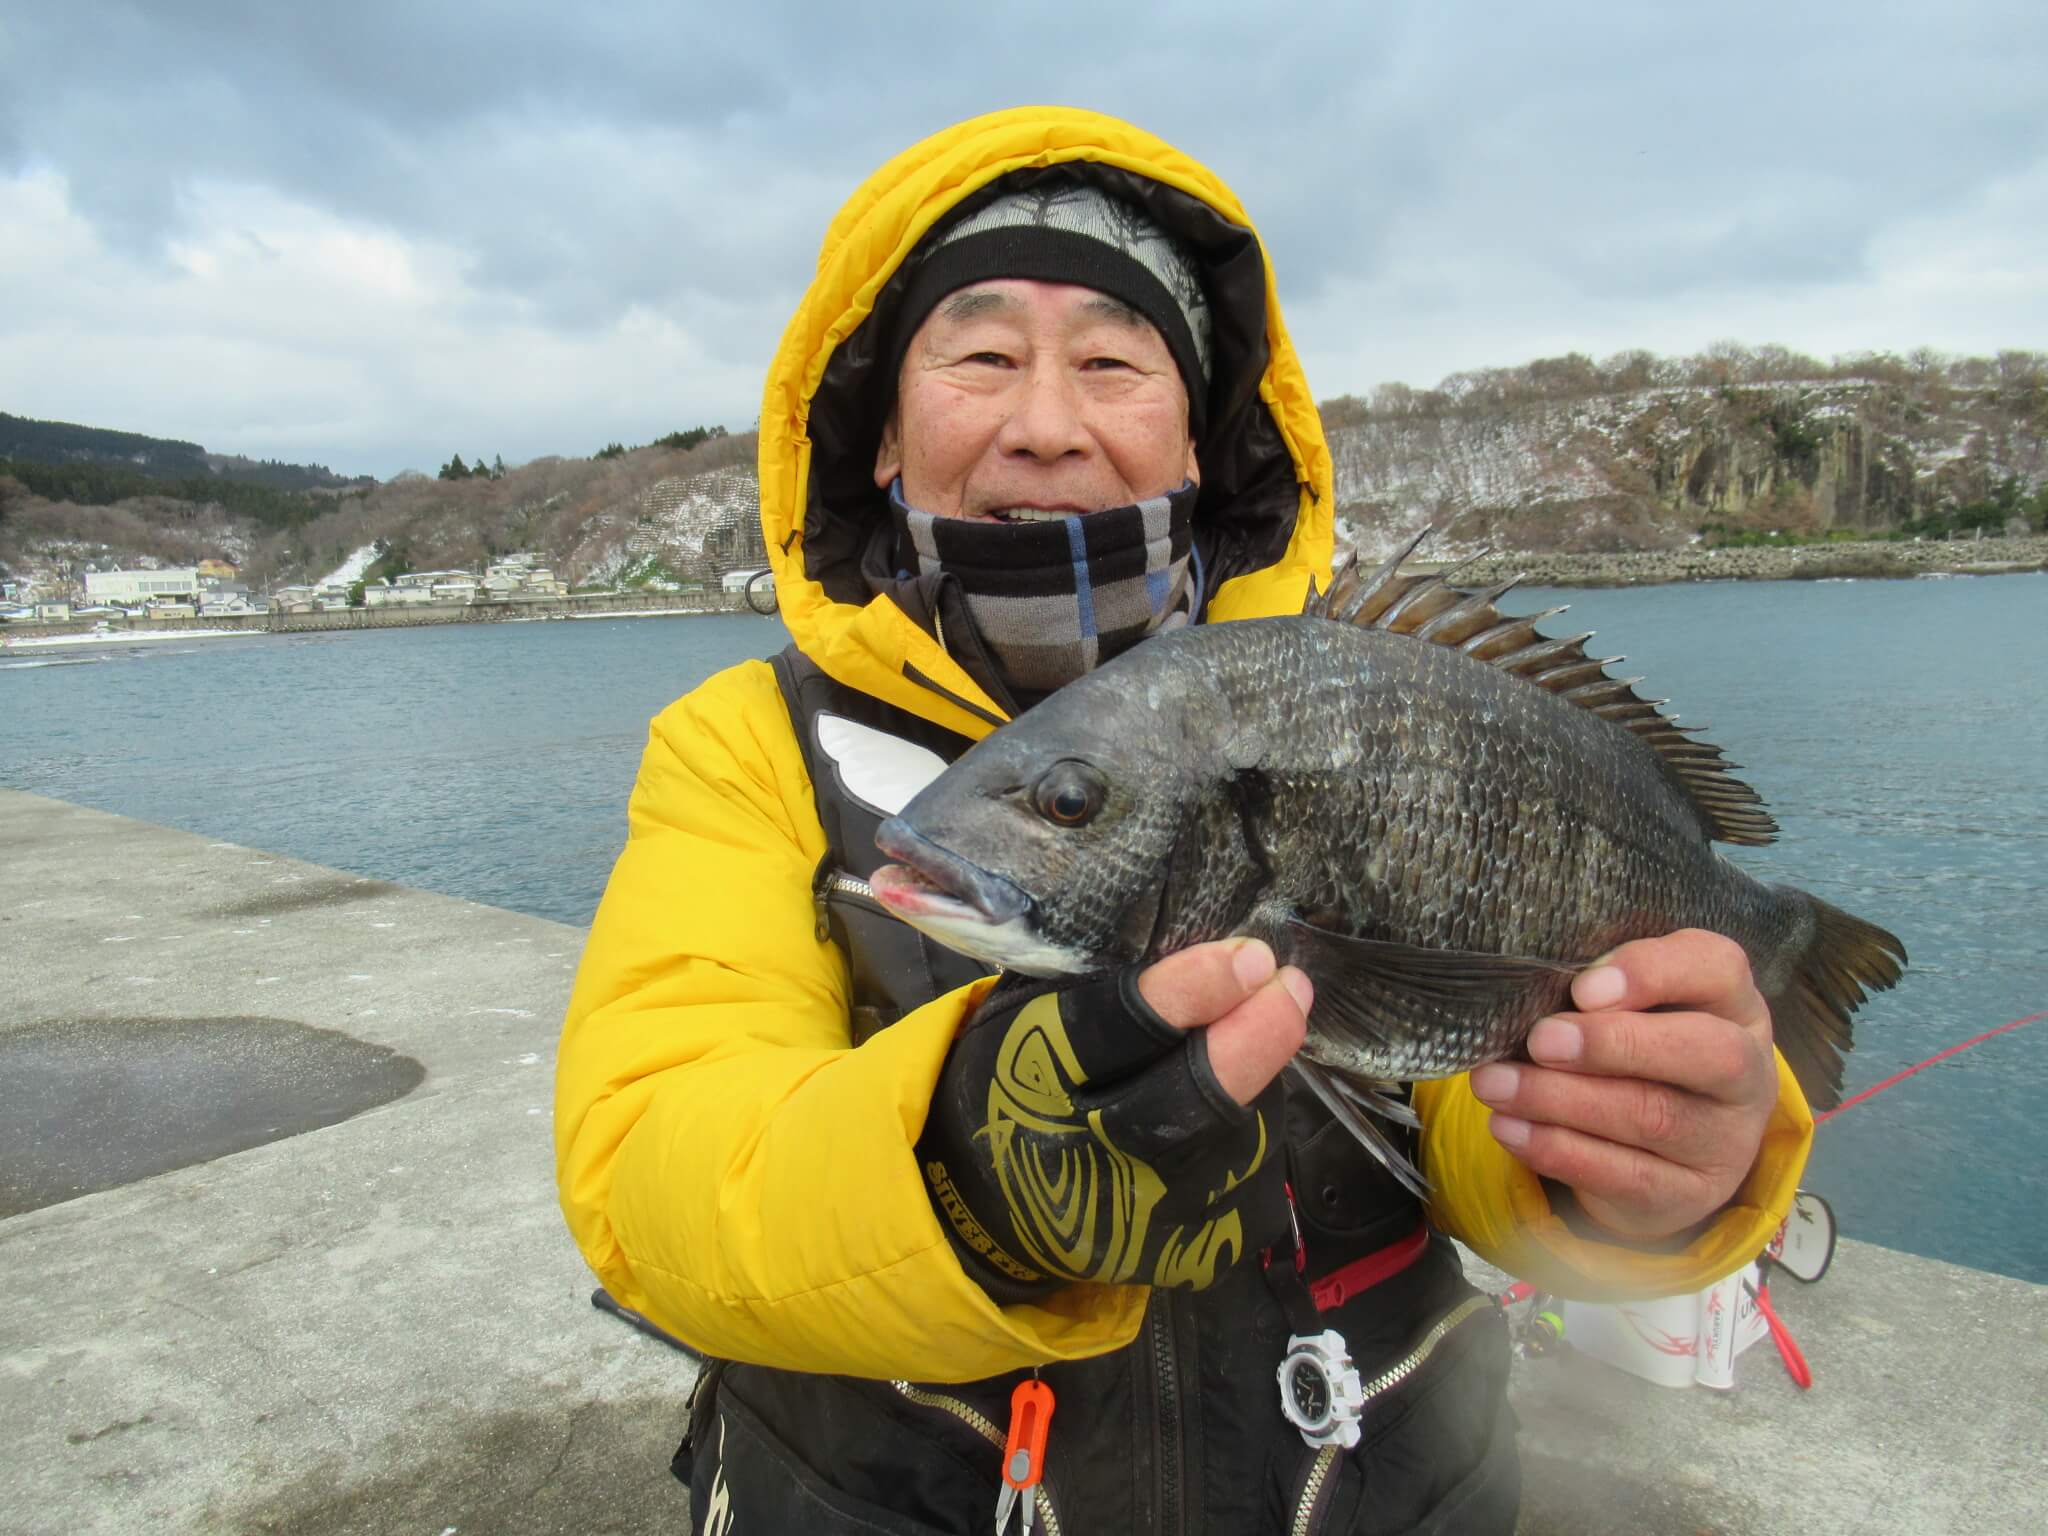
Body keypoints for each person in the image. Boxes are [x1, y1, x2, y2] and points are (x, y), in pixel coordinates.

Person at [554, 106, 1811, 1534]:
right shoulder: (744, 745)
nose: (1046, 423)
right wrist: (963, 1172)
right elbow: (652, 1169)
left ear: (1201, 441)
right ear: (886, 436)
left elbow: (1470, 1099)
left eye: (1112, 362)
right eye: (980, 358)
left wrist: (1635, 1175)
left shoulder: (1356, 700)